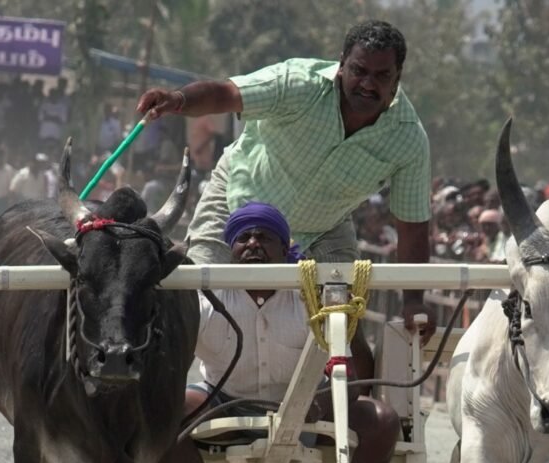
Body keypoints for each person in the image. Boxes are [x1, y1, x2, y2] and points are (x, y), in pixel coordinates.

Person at [136, 20, 434, 341]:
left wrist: (414, 301)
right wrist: (179, 99)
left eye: (381, 76)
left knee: (343, 324)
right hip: (236, 200)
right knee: (192, 298)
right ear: (341, 65)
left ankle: (349, 392)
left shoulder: (409, 138)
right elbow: (227, 93)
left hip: (321, 229)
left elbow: (412, 224)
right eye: (359, 70)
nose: (367, 84)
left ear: (397, 77)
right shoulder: (298, 83)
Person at [170, 202, 400, 463]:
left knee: (383, 420)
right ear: (231, 249)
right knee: (166, 412)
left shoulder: (316, 298)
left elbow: (356, 374)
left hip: (308, 406)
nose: (253, 243)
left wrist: (321, 403)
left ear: (284, 248)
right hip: (222, 400)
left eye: (265, 237)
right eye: (243, 237)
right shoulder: (205, 299)